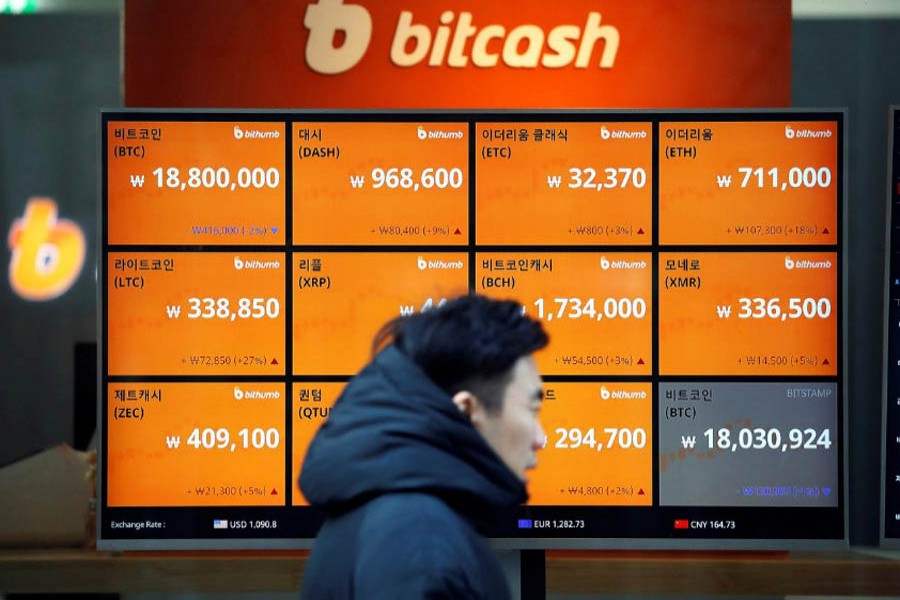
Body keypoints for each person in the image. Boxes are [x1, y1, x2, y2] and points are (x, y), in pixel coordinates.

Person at [299, 294, 549, 599]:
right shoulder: (423, 543)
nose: (540, 438)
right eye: (532, 409)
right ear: (466, 410)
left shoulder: (387, 515)